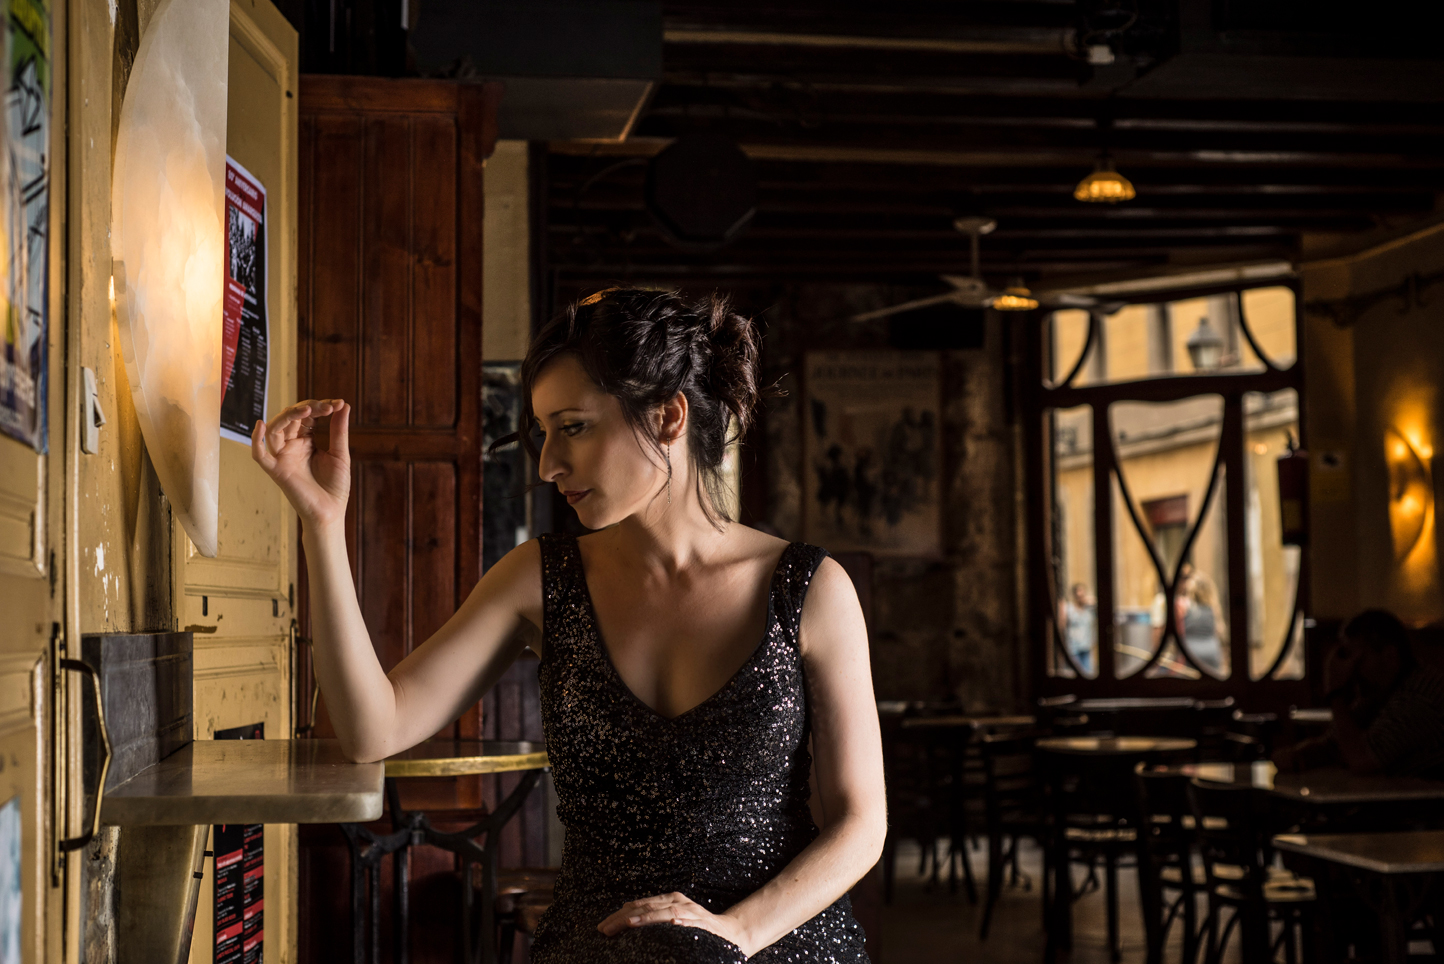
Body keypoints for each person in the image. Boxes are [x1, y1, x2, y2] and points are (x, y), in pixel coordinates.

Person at [250, 287, 885, 963]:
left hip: (780, 946)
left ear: (668, 417)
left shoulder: (808, 590)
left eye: (573, 427)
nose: (549, 464)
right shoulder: (539, 580)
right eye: (543, 433)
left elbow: (861, 823)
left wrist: (737, 934)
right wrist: (321, 525)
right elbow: (372, 728)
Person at [1273, 609, 1444, 778]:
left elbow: (1361, 760)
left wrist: (1335, 693)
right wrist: (1298, 756)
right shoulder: (1383, 691)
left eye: (1357, 659)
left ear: (1389, 656)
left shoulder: (1417, 697)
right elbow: (1336, 745)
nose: (1349, 669)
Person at [1179, 572, 1226, 676]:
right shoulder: (1213, 610)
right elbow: (1219, 630)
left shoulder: (1185, 608)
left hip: (1190, 652)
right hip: (1211, 651)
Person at [1060, 583, 1096, 675]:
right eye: (1078, 594)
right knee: (1074, 674)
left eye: (1082, 594)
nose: (1080, 596)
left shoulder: (1089, 609)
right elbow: (1062, 625)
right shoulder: (1069, 608)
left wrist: (1088, 600)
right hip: (1072, 648)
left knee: (1088, 674)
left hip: (1086, 647)